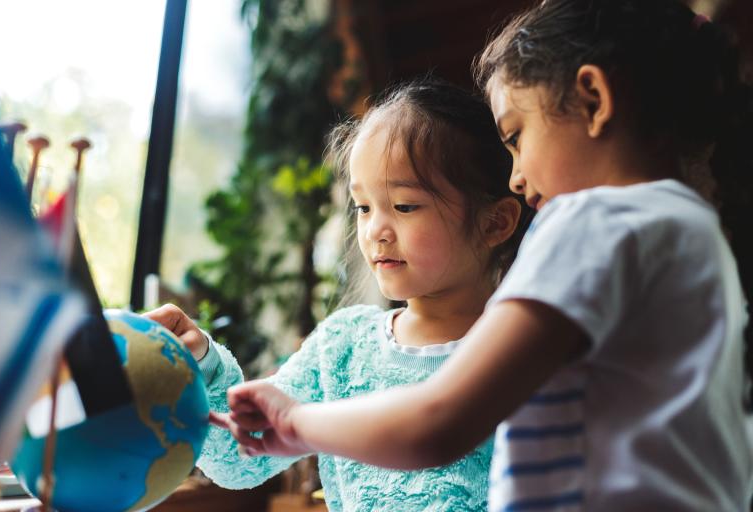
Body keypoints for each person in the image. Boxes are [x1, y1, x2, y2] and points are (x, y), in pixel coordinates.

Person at [215, 1, 753, 510]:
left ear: (593, 100)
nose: (515, 175)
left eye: (516, 136)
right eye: (362, 207)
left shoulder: (596, 221)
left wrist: (297, 423)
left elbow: (438, 422)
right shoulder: (697, 233)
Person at [147, 78, 529, 511]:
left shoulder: (526, 350)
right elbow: (239, 458)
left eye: (404, 206)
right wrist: (202, 363)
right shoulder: (342, 347)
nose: (375, 231)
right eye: (363, 207)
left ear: (495, 222)